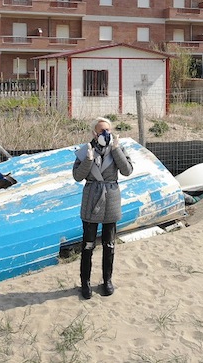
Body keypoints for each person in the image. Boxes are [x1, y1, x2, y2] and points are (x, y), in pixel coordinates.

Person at [72, 117, 133, 299]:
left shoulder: (118, 148)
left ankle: (107, 281)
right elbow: (77, 176)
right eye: (101, 131)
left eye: (107, 130)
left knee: (109, 243)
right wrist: (88, 160)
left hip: (111, 200)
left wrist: (115, 149)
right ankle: (85, 283)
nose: (105, 134)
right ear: (94, 133)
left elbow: (127, 170)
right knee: (88, 245)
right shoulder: (85, 151)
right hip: (92, 198)